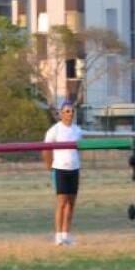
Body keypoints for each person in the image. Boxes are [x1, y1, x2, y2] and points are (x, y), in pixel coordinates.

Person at [42, 102, 83, 246]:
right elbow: (45, 150)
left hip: (74, 169)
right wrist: (50, 166)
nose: (69, 114)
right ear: (61, 114)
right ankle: (58, 235)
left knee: (71, 203)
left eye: (71, 111)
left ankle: (66, 234)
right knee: (61, 202)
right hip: (60, 169)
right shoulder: (54, 130)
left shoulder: (77, 130)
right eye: (66, 111)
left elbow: (79, 149)